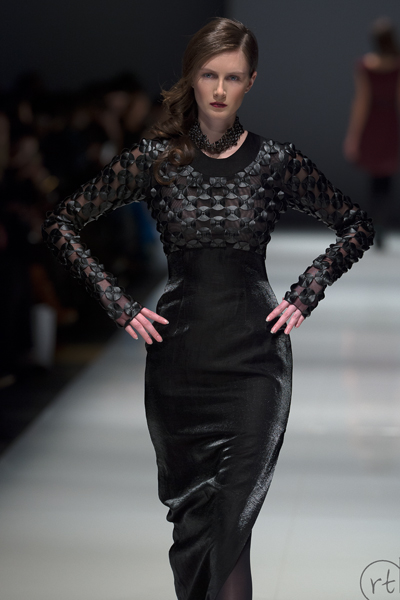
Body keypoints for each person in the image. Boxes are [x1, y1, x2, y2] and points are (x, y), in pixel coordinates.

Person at [42, 17, 374, 600]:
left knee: (230, 529)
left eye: (234, 77)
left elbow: (356, 224)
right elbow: (61, 222)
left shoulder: (276, 161)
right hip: (180, 365)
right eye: (209, 75)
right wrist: (118, 302)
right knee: (196, 532)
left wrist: (307, 290)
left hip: (255, 364)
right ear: (192, 77)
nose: (220, 89)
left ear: (252, 82)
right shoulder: (154, 160)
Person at [343, 16, 400, 249]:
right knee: (386, 175)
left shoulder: (365, 65)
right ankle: (381, 224)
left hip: (373, 122)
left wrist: (353, 136)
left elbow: (362, 102)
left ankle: (375, 225)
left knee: (375, 175)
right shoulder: (397, 65)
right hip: (390, 121)